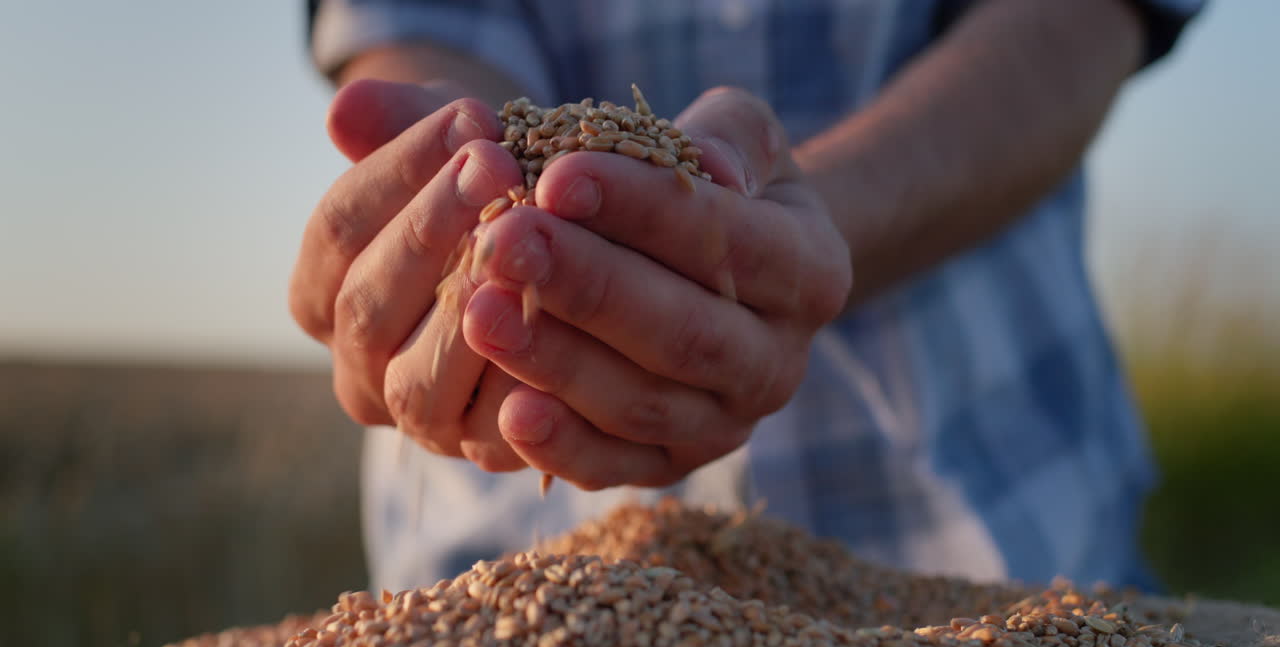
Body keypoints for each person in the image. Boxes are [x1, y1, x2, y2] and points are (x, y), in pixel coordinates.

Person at [293, 0, 1203, 593]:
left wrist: (809, 234)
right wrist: (467, 210)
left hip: (1000, 555)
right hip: (508, 575)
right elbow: (419, 32)